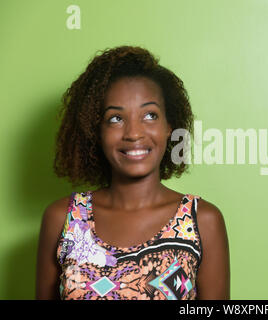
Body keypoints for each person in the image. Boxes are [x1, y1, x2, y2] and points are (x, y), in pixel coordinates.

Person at [35, 46, 230, 300]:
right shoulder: (62, 218)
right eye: (115, 118)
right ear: (96, 131)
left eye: (150, 115)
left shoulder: (202, 222)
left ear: (169, 126)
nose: (134, 133)